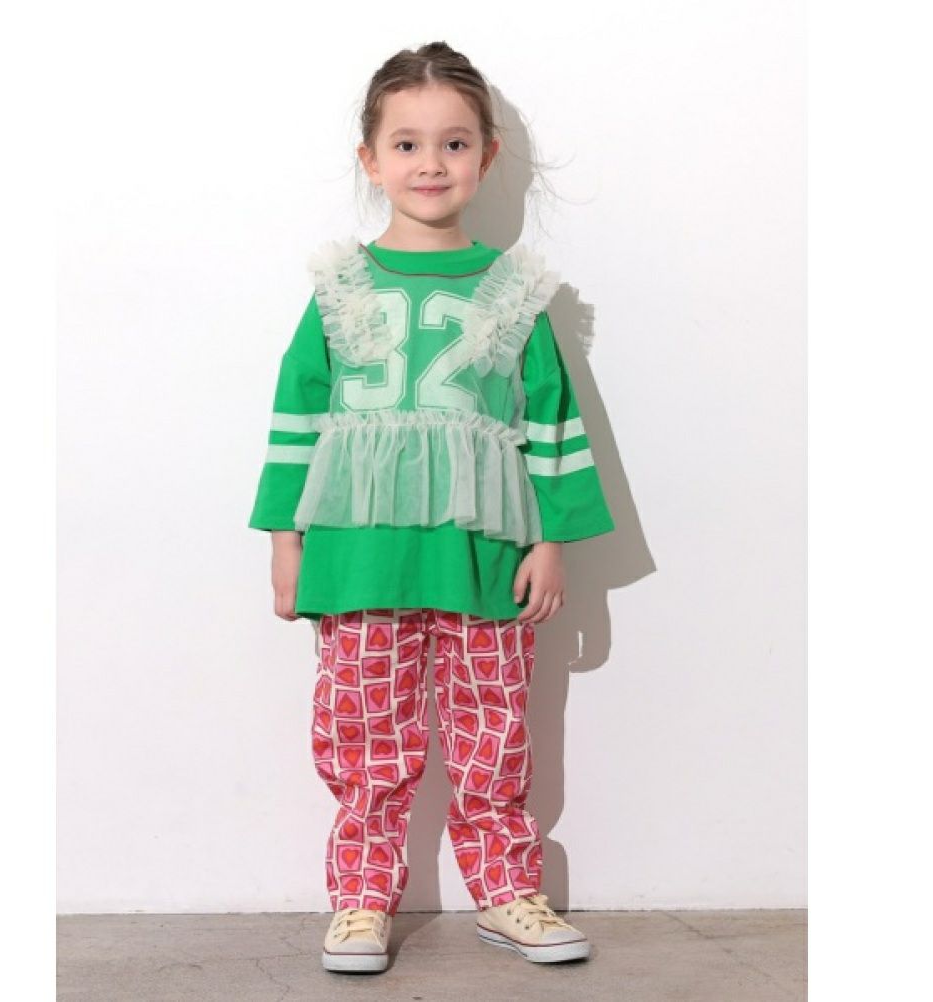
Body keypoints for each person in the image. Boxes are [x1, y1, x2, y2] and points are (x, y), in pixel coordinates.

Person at [248, 41, 615, 974]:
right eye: (406, 144)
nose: (430, 163)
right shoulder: (339, 287)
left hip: (484, 555)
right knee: (365, 733)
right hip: (357, 557)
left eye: (453, 143)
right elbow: (298, 413)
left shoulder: (516, 292)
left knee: (495, 731)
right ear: (370, 160)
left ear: (486, 156)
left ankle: (507, 891)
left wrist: (553, 542)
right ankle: (362, 900)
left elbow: (551, 419)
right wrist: (285, 540)